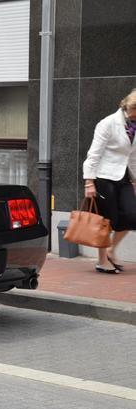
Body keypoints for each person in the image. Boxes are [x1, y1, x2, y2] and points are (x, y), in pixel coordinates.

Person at [83, 89, 136, 273]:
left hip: (123, 177)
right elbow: (93, 154)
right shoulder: (108, 123)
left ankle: (112, 250)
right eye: (134, 110)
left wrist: (135, 181)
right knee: (106, 220)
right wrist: (89, 182)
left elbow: (133, 155)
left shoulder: (135, 125)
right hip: (103, 177)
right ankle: (101, 261)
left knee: (132, 215)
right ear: (129, 107)